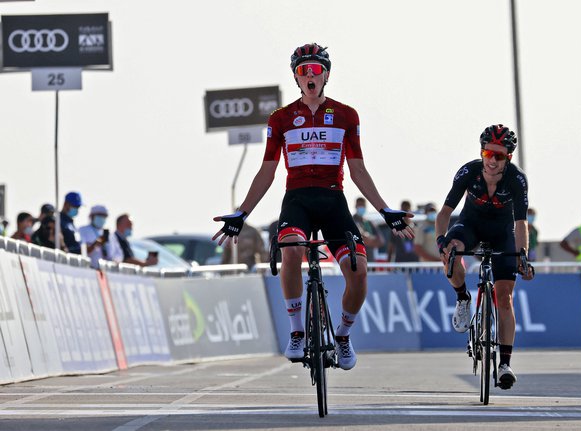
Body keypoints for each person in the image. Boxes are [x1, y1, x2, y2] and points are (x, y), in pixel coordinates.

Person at [213, 43, 414, 371]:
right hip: (297, 200)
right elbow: (267, 170)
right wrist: (242, 213)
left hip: (333, 200)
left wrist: (385, 211)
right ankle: (296, 332)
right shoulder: (280, 118)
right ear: (296, 77)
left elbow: (358, 169)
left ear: (326, 75)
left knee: (359, 273)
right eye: (303, 70)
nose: (310, 75)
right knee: (291, 251)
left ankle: (344, 335)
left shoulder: (347, 115)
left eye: (315, 70)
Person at [436, 124, 534, 390]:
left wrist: (522, 255)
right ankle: (463, 298)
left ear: (508, 158)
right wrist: (440, 241)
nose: (492, 160)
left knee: (504, 297)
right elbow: (444, 213)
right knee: (453, 249)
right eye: (487, 153)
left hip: (503, 232)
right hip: (470, 225)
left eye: (499, 156)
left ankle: (504, 363)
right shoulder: (469, 172)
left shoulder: (517, 179)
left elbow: (521, 223)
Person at [79, 205, 121, 269]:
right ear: (92, 216)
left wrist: (115, 261)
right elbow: (81, 250)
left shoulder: (111, 235)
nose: (102, 218)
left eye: (104, 216)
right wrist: (94, 245)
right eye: (99, 215)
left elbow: (118, 253)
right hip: (90, 269)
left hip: (106, 271)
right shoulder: (82, 230)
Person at [353, 197, 384, 261]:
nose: (361, 207)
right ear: (356, 206)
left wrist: (367, 241)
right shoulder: (351, 221)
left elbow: (381, 241)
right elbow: (360, 238)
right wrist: (371, 239)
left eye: (363, 205)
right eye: (360, 205)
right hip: (357, 259)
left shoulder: (369, 223)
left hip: (370, 261)